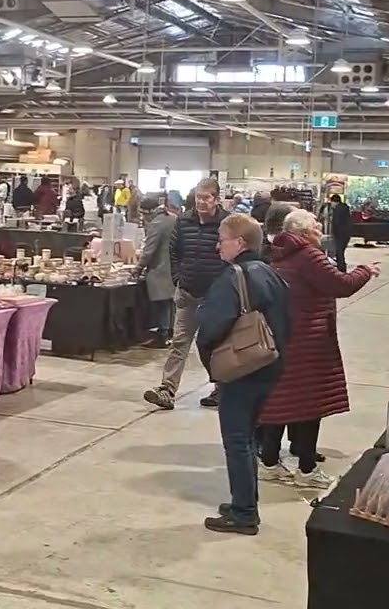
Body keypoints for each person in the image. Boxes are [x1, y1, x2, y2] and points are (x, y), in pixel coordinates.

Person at [259, 208, 378, 488]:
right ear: (302, 232)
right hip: (309, 342)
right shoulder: (309, 255)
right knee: (310, 405)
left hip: (287, 336)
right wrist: (365, 270)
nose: (320, 228)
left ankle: (269, 461)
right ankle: (306, 469)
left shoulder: (279, 253)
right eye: (315, 225)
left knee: (281, 402)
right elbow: (341, 284)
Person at [194, 213, 289, 535]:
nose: (217, 245)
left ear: (240, 242)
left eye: (222, 239)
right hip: (270, 365)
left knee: (237, 440)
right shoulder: (270, 273)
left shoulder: (233, 277)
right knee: (248, 437)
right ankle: (244, 501)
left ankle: (244, 512)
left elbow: (210, 327)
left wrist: (212, 360)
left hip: (242, 368)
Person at [143, 178, 230, 410]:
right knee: (179, 343)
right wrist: (178, 280)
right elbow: (174, 251)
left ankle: (222, 388)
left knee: (214, 344)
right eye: (198, 197)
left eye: (206, 197)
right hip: (188, 292)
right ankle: (167, 389)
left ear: (216, 198)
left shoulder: (227, 223)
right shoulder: (183, 221)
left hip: (216, 296)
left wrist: (226, 287)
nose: (201, 202)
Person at [137, 194, 176, 348]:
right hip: (173, 267)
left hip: (159, 269)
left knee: (161, 303)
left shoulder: (156, 224)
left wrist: (138, 267)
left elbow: (149, 250)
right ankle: (170, 333)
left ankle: (162, 335)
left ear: (148, 212)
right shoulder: (173, 218)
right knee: (170, 302)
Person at [327, 194, 353, 272]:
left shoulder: (338, 210)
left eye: (331, 203)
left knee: (339, 253)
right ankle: (341, 268)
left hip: (340, 234)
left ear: (334, 202)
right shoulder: (345, 208)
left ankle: (341, 269)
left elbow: (336, 222)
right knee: (341, 252)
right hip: (346, 234)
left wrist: (333, 233)